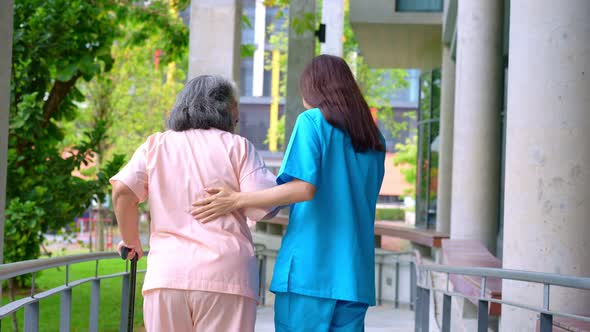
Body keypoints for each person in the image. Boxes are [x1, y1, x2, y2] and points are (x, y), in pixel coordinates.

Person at [191, 55, 386, 331]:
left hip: (310, 270)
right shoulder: (374, 139)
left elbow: (303, 188)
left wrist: (235, 199)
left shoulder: (312, 122)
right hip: (354, 275)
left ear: (314, 89)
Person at [111, 75, 276, 332]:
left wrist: (130, 240)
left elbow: (123, 191)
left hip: (167, 276)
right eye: (236, 107)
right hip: (227, 277)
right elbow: (261, 208)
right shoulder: (238, 147)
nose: (238, 115)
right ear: (226, 108)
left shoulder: (155, 145)